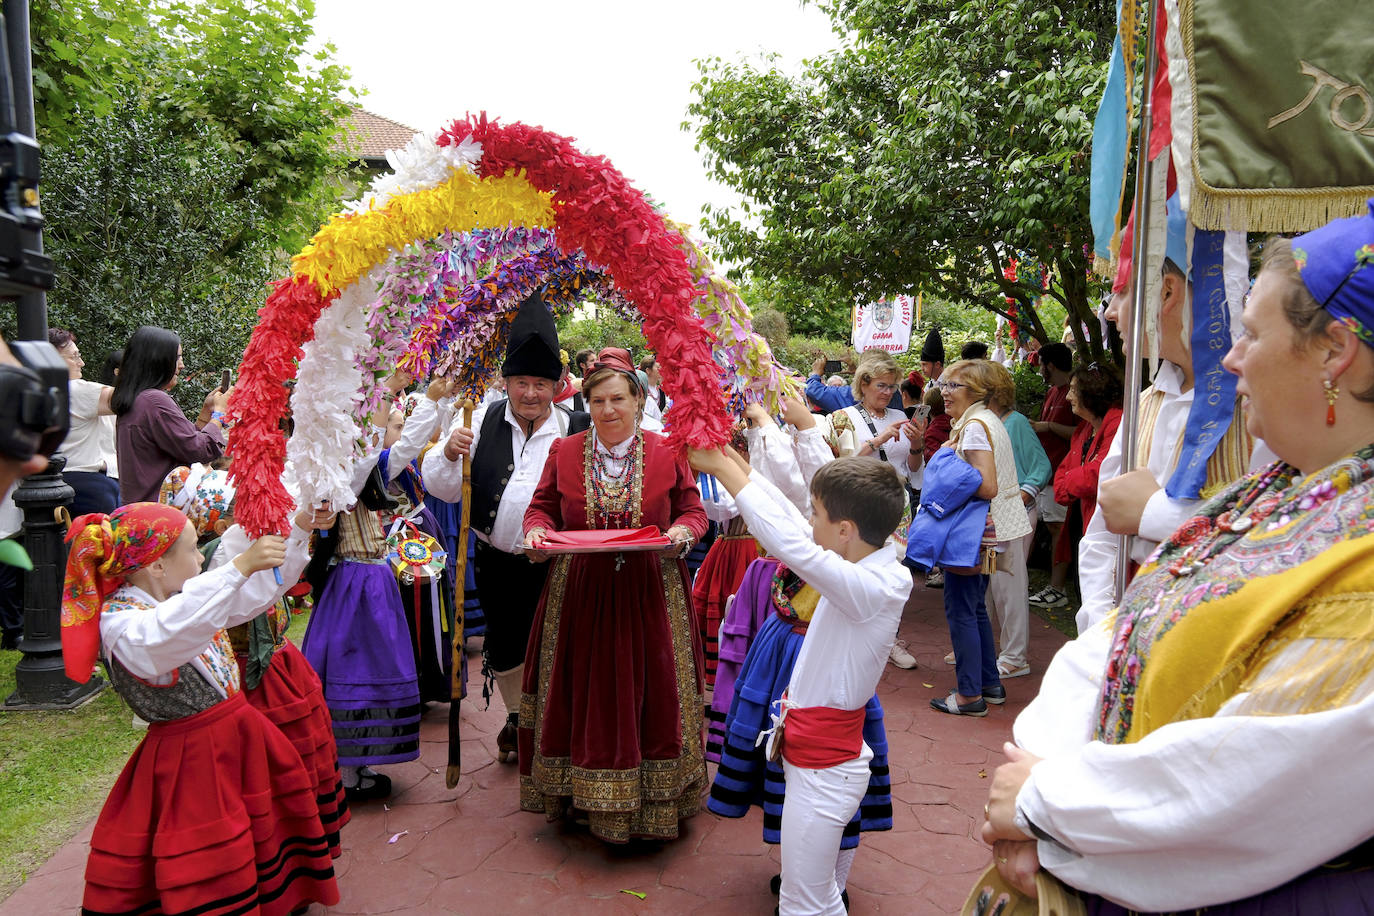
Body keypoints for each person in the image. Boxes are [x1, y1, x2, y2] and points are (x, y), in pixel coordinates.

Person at [979, 207, 1374, 912]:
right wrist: (1040, 776)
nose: (1232, 356)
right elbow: (1112, 632)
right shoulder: (1273, 489)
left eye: (1252, 333)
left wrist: (1047, 810)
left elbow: (1256, 784)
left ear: (1334, 351)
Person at [61, 502, 340, 914]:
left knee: (259, 831)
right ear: (156, 566)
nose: (199, 559)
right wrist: (237, 568)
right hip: (192, 759)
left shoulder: (180, 597)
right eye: (193, 550)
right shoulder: (122, 622)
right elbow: (167, 635)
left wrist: (297, 532)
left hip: (235, 737)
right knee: (211, 855)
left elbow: (248, 598)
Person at [687, 446, 909, 916]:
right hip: (820, 760)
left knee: (803, 903)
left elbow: (791, 542)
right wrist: (727, 453)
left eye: (817, 513)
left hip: (825, 770)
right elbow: (789, 519)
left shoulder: (873, 586)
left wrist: (724, 468)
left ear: (845, 531)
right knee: (815, 894)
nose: (809, 521)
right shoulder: (869, 565)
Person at [518, 347, 708, 843]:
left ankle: (654, 805)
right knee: (586, 691)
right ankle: (578, 796)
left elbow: (693, 512)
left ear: (639, 399)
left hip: (651, 590)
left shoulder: (669, 451)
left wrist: (681, 538)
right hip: (580, 591)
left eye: (618, 398)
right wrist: (537, 536)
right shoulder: (565, 450)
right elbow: (542, 510)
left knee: (653, 694)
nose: (607, 410)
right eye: (598, 400)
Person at [1076, 210, 1264, 632]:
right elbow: (1102, 536)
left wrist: (1153, 514)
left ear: (1166, 292)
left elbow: (1277, 529)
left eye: (1120, 293)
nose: (1109, 312)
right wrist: (1103, 623)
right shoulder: (1144, 403)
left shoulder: (1258, 404)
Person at [423, 291, 588, 764]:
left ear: (557, 386)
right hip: (496, 561)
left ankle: (559, 725)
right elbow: (444, 488)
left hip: (560, 564)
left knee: (560, 644)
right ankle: (518, 717)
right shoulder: (479, 418)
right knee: (507, 641)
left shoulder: (577, 428)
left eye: (541, 382)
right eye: (522, 382)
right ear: (506, 381)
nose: (531, 393)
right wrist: (449, 453)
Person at [929, 360, 1032, 716]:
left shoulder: (973, 426)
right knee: (975, 608)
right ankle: (989, 683)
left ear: (976, 390)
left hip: (973, 533)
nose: (944, 391)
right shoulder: (988, 420)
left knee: (961, 610)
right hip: (991, 530)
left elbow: (986, 485)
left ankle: (969, 695)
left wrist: (945, 462)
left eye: (953, 385)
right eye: (944, 384)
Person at [824, 349, 926, 668]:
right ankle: (850, 637)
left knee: (891, 573)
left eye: (892, 386)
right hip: (857, 505)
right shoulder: (841, 418)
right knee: (855, 573)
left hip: (896, 504)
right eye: (882, 385)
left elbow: (912, 469)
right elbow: (838, 468)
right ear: (864, 383)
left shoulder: (901, 418)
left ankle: (889, 638)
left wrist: (918, 445)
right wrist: (877, 441)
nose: (889, 392)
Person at [984, 363, 1051, 680]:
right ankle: (985, 647)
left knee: (1008, 586)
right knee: (987, 584)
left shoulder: (1016, 423)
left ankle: (1014, 656)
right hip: (990, 519)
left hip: (1013, 515)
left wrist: (1024, 495)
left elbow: (1041, 466)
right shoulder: (984, 423)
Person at [112, 326, 228, 504]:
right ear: (158, 361)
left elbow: (184, 444)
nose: (182, 365)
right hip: (161, 512)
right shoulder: (154, 401)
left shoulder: (139, 399)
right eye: (178, 358)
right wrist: (220, 414)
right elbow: (200, 451)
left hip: (139, 508)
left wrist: (207, 412)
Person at [49, 328, 119, 516]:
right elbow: (129, 398)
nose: (82, 362)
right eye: (74, 357)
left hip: (61, 482)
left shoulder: (40, 391)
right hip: (92, 488)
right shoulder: (73, 388)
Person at [1028, 343, 1076, 610]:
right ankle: (1051, 585)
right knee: (1049, 527)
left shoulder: (1073, 391)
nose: (1039, 369)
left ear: (1051, 365)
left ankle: (1058, 588)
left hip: (1063, 472)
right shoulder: (1052, 393)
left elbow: (1082, 433)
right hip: (1046, 473)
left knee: (1059, 529)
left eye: (1041, 364)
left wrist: (1047, 426)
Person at [1052, 364, 1123, 545]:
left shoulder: (1118, 422)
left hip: (1106, 523)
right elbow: (1062, 477)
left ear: (1093, 392)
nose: (1068, 397)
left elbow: (1100, 473)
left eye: (1074, 390)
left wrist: (1072, 479)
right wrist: (1077, 480)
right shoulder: (1085, 428)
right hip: (1083, 513)